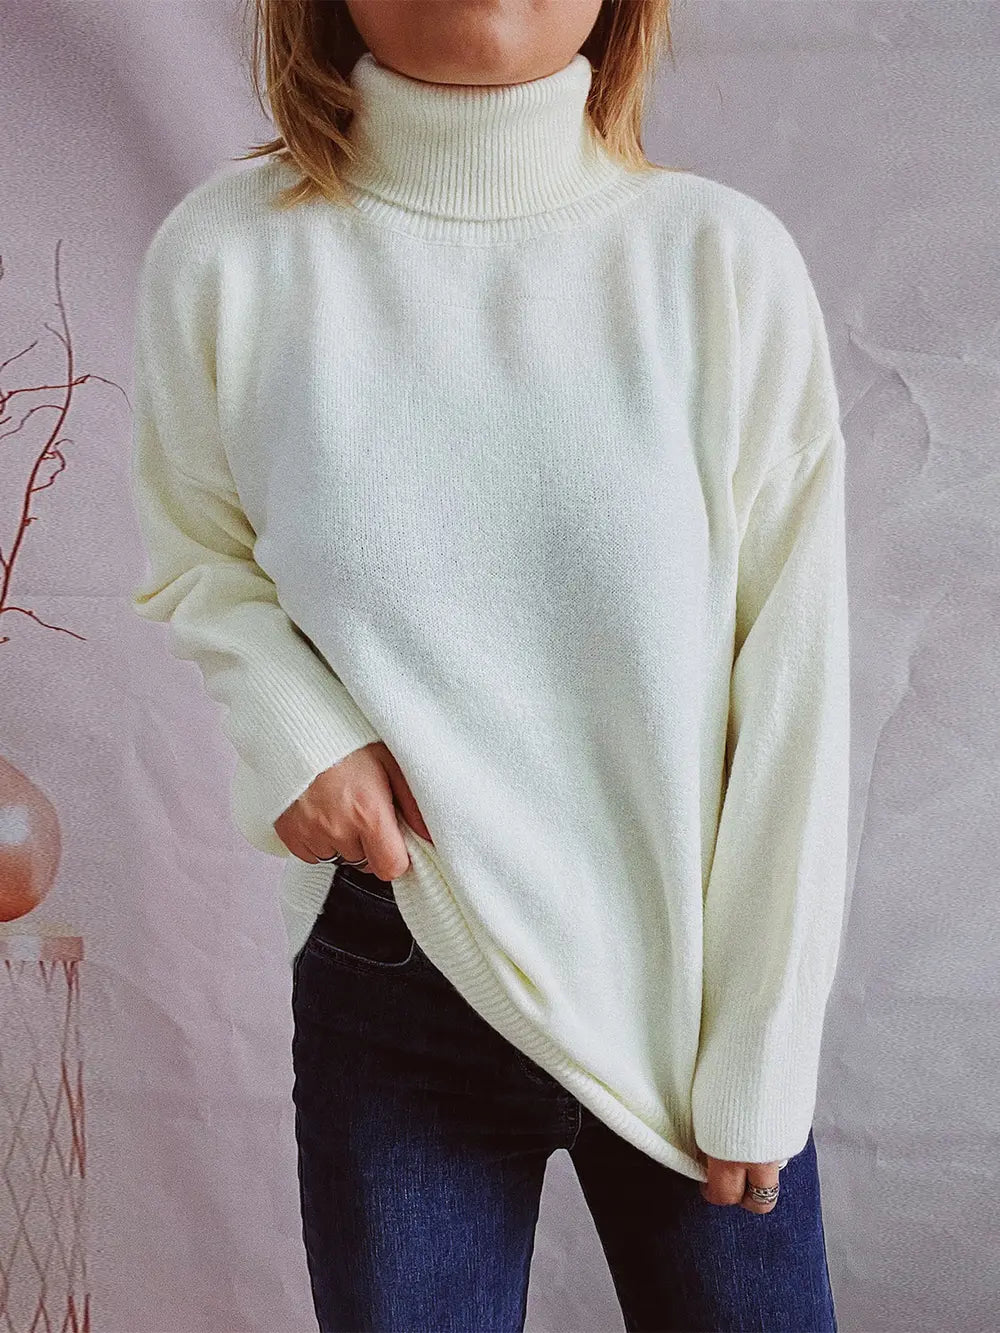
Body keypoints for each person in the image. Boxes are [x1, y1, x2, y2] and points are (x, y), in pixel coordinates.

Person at [128, 0, 849, 1328]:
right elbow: (198, 554)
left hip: (687, 995)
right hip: (400, 961)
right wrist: (298, 734)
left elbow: (797, 687)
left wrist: (761, 1042)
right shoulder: (230, 257)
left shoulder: (719, 264)